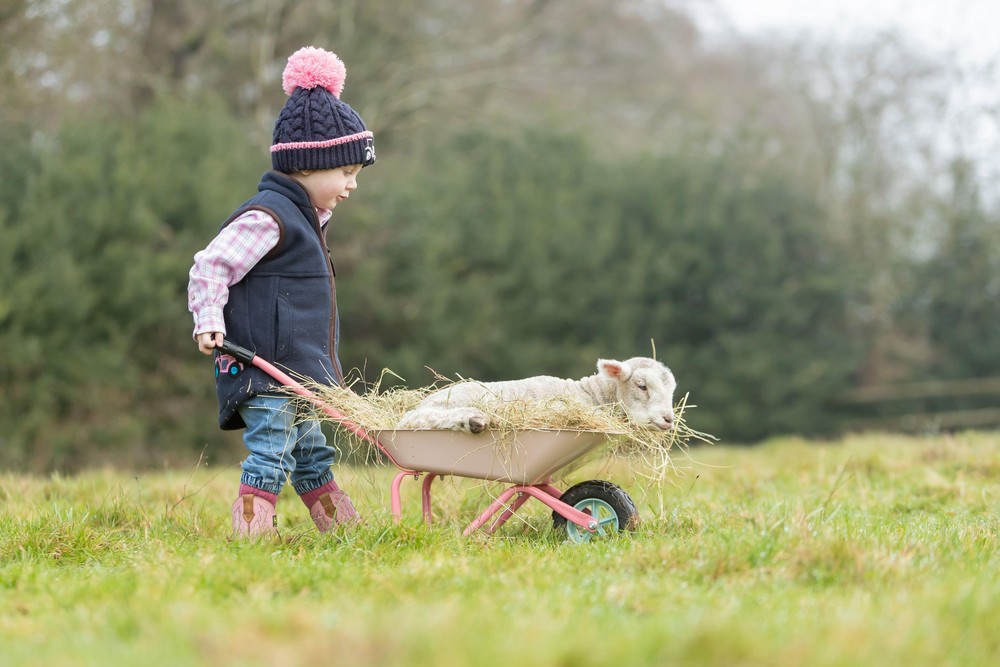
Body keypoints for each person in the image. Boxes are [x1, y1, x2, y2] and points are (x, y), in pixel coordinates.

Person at [187, 46, 375, 537]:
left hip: (297, 375)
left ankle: (342, 530)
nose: (353, 185)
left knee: (312, 450)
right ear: (309, 166)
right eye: (347, 173)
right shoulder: (268, 218)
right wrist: (209, 320)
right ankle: (252, 533)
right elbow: (210, 266)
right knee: (271, 449)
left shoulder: (308, 222)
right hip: (263, 369)